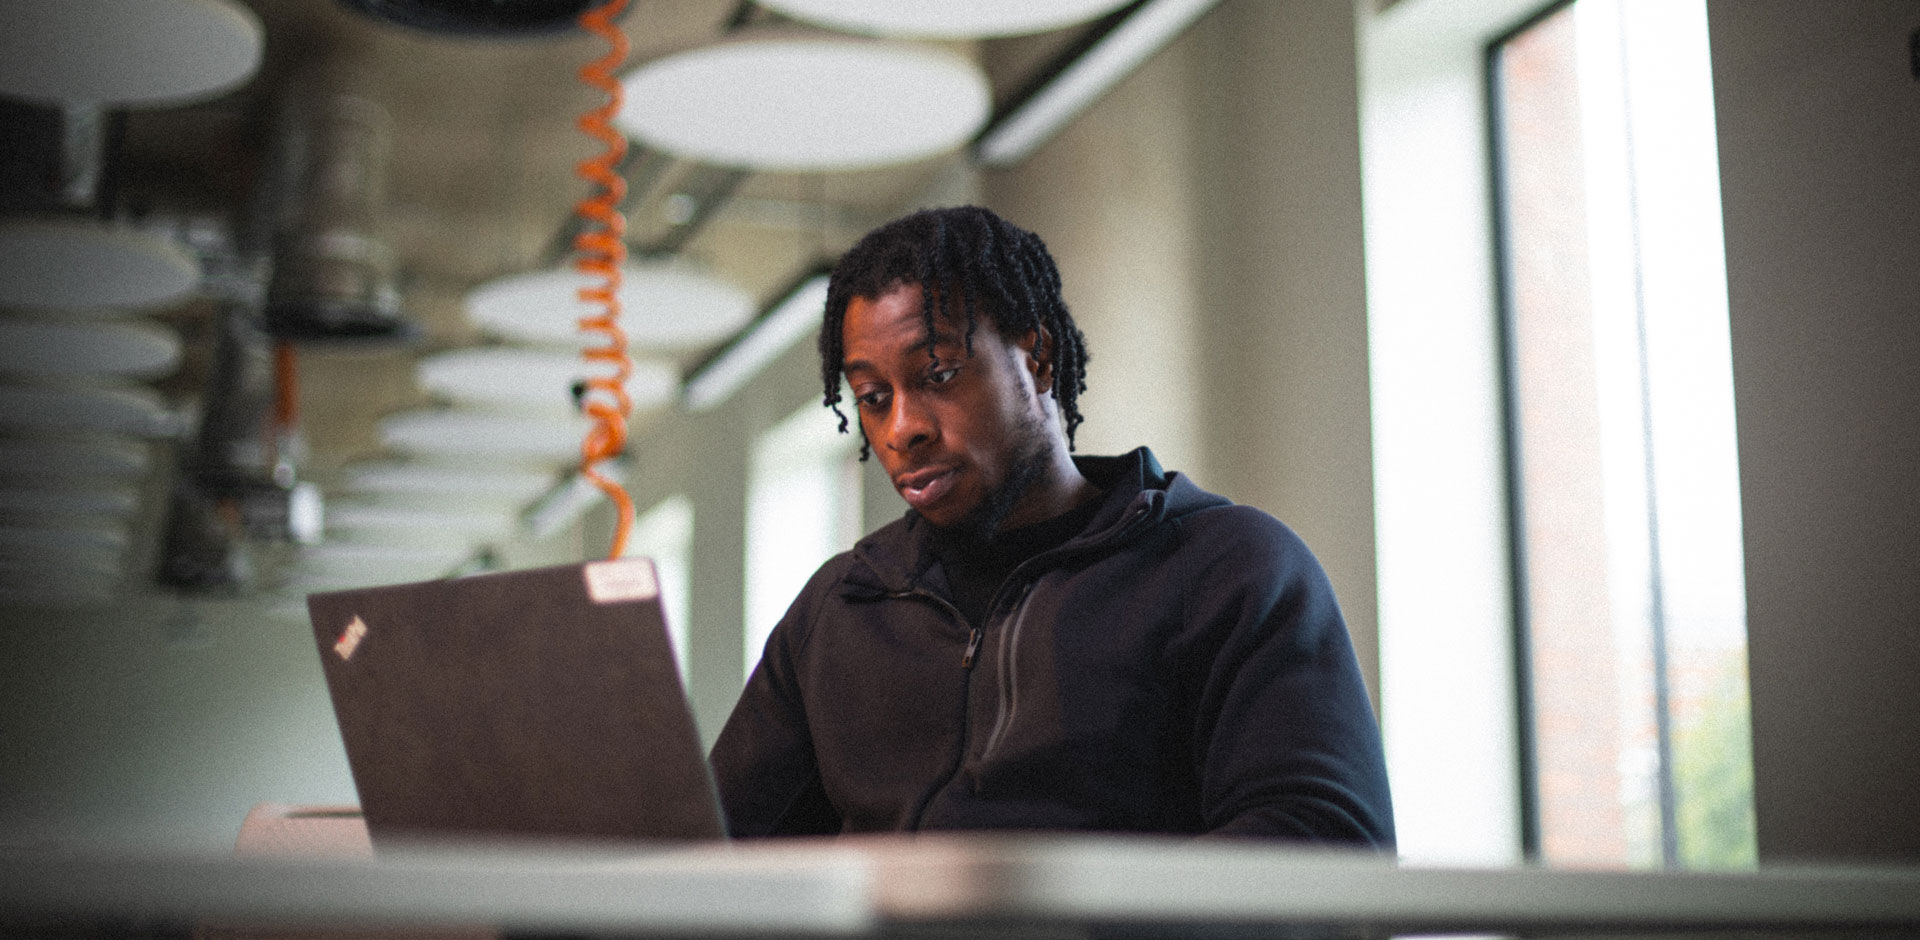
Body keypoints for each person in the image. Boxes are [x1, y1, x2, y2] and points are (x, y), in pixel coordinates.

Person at [708, 205, 1394, 847]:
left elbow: (1323, 846)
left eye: (939, 373)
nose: (902, 428)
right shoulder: (841, 609)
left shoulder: (1227, 569)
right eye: (873, 398)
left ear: (1036, 359)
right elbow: (710, 857)